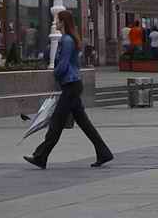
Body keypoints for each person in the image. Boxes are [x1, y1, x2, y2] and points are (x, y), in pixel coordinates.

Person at [25, 9, 113, 169]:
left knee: (57, 122)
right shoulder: (70, 39)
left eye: (57, 20)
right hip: (73, 84)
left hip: (70, 85)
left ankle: (41, 156)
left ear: (63, 22)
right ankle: (103, 152)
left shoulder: (66, 40)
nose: (55, 23)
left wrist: (54, 73)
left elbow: (63, 64)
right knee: (83, 123)